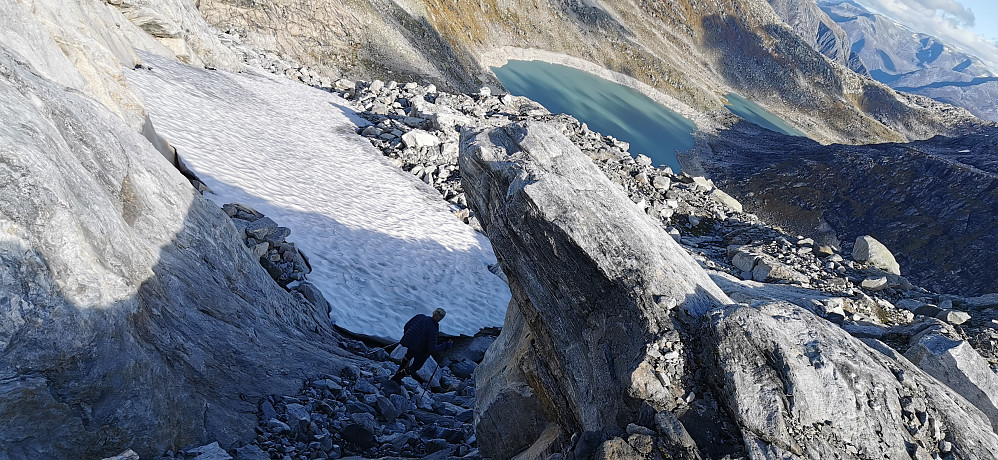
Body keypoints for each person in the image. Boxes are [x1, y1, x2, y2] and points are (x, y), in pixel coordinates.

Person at [391, 308, 453, 383]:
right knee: (415, 367)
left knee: (407, 358)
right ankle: (397, 377)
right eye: (442, 317)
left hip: (412, 345)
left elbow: (407, 326)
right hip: (422, 352)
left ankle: (397, 375)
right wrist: (446, 345)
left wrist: (410, 338)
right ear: (439, 317)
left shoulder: (420, 317)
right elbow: (432, 348)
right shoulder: (433, 329)